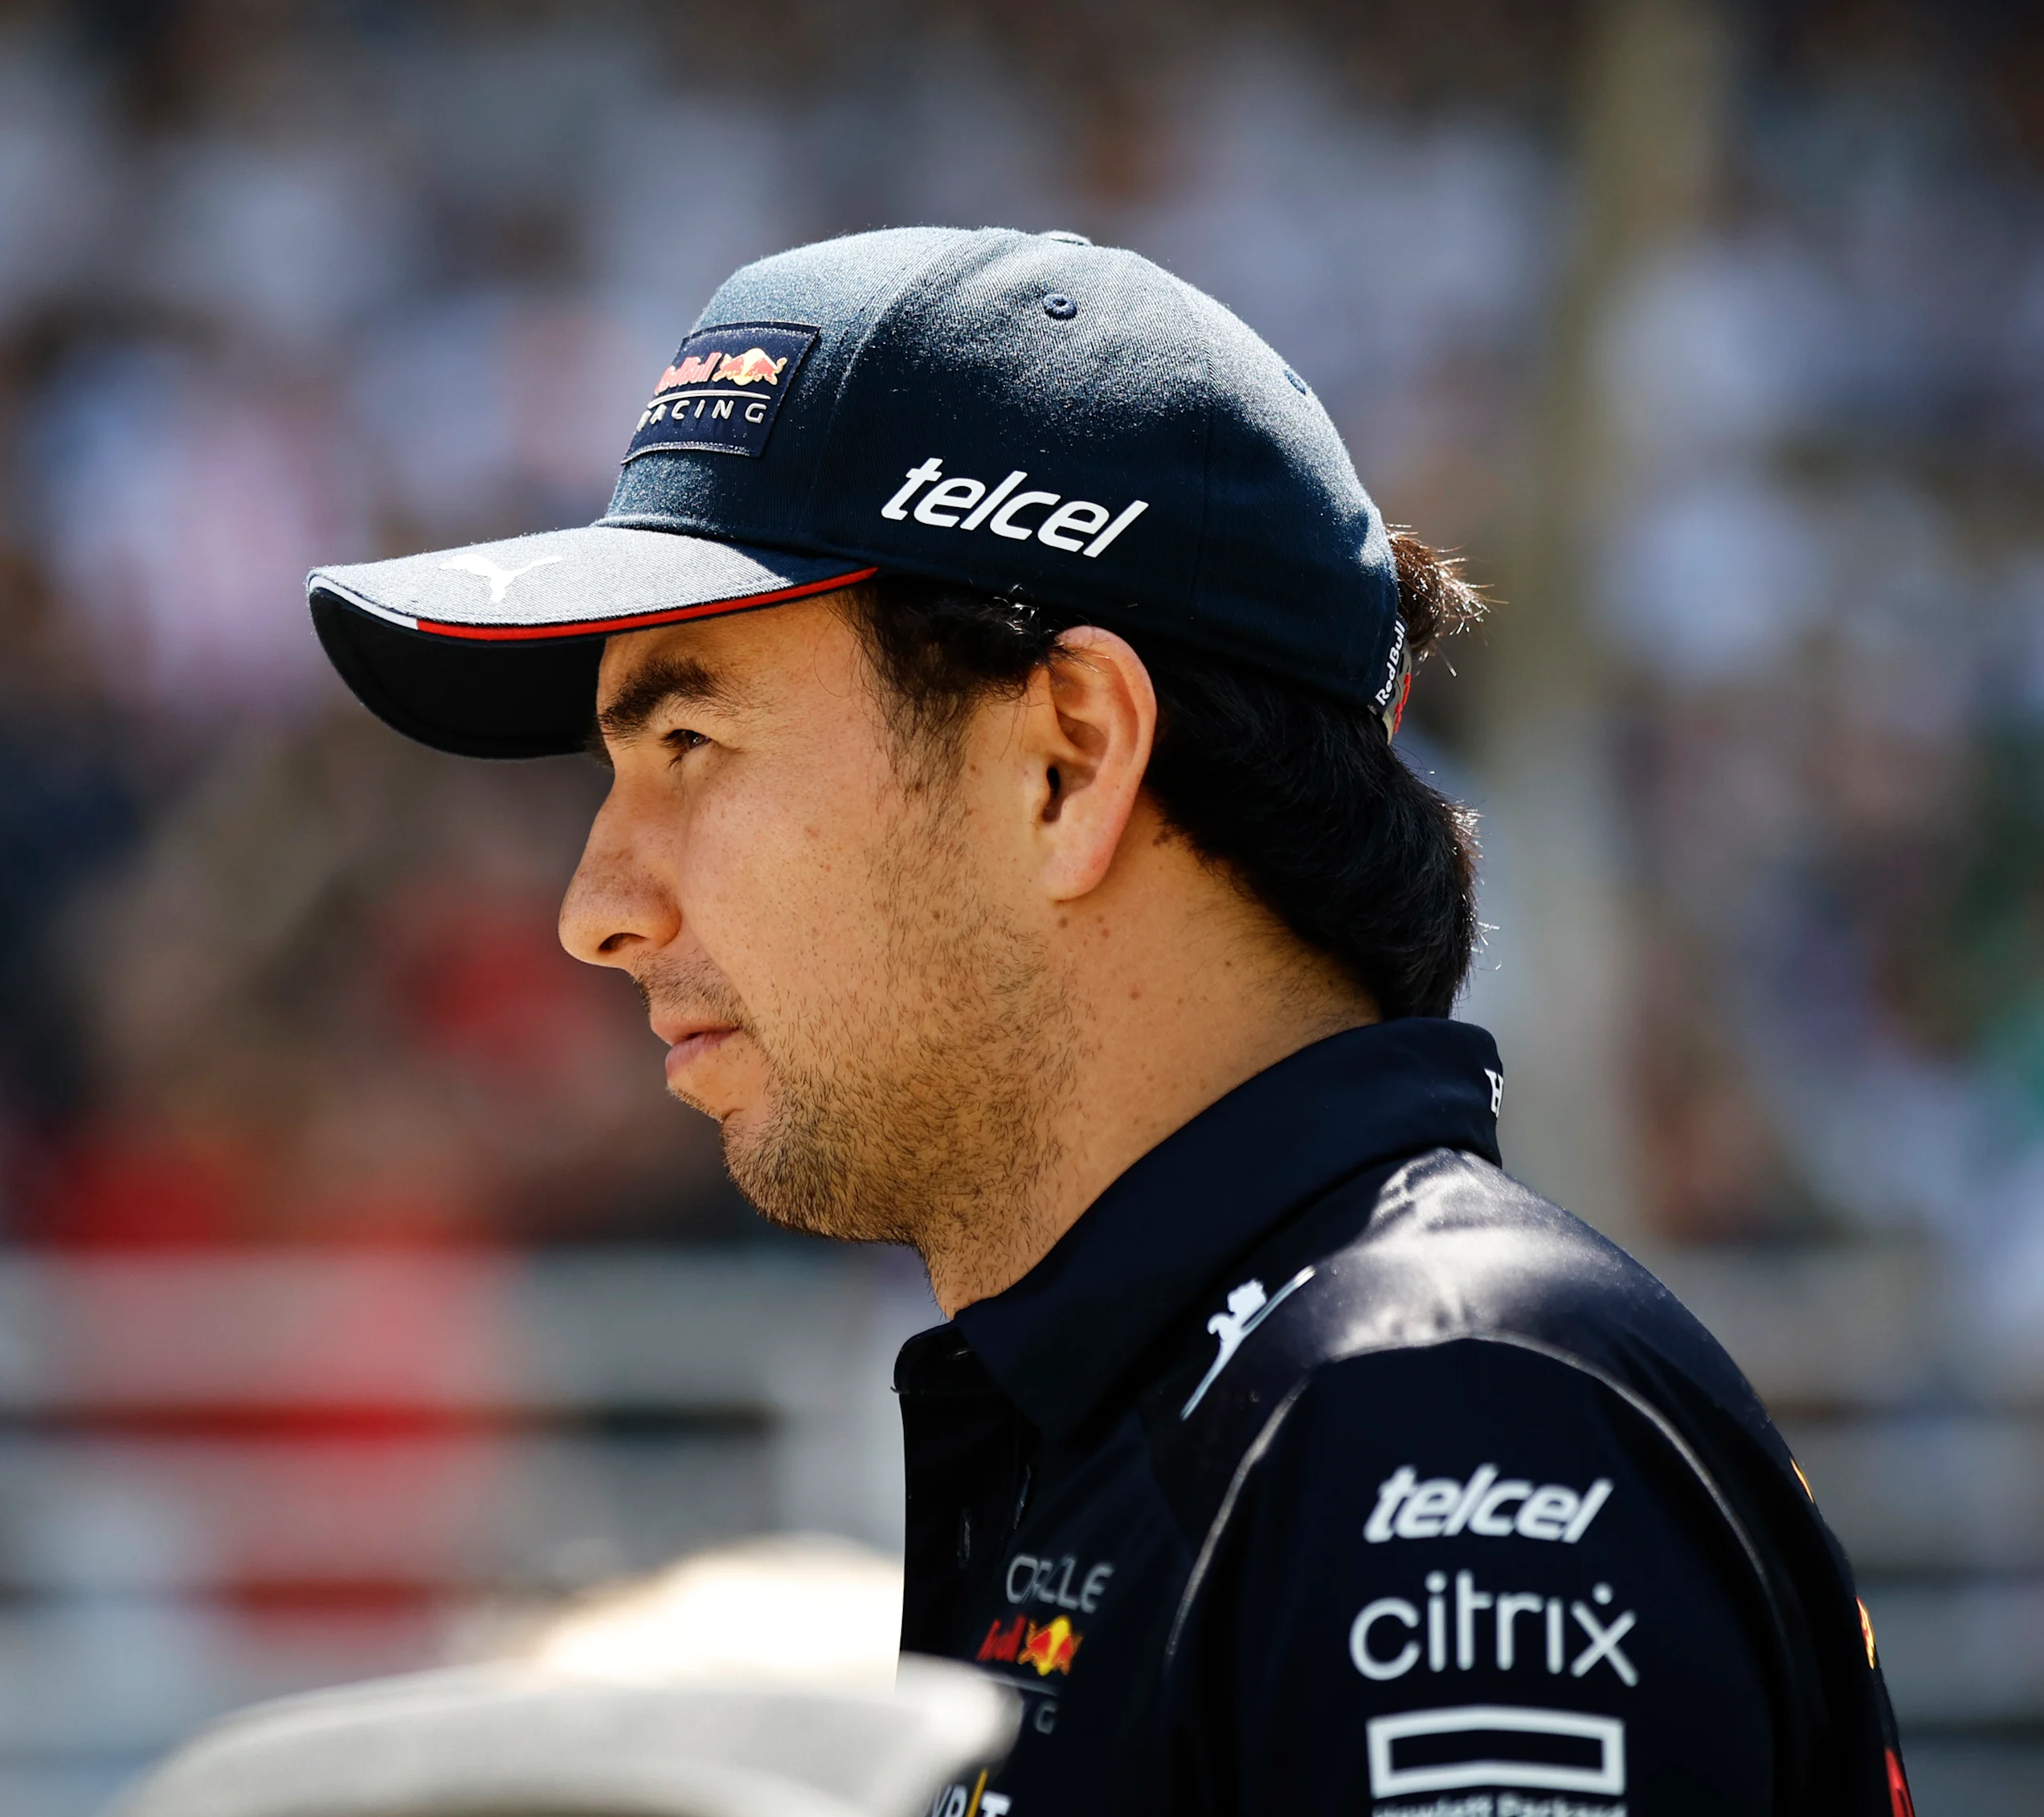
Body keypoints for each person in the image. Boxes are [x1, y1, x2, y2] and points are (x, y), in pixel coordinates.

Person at [301, 228, 1911, 1815]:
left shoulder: (1425, 1416)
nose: (595, 905)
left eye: (691, 740)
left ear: (1067, 758)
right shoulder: (1216, 1400)